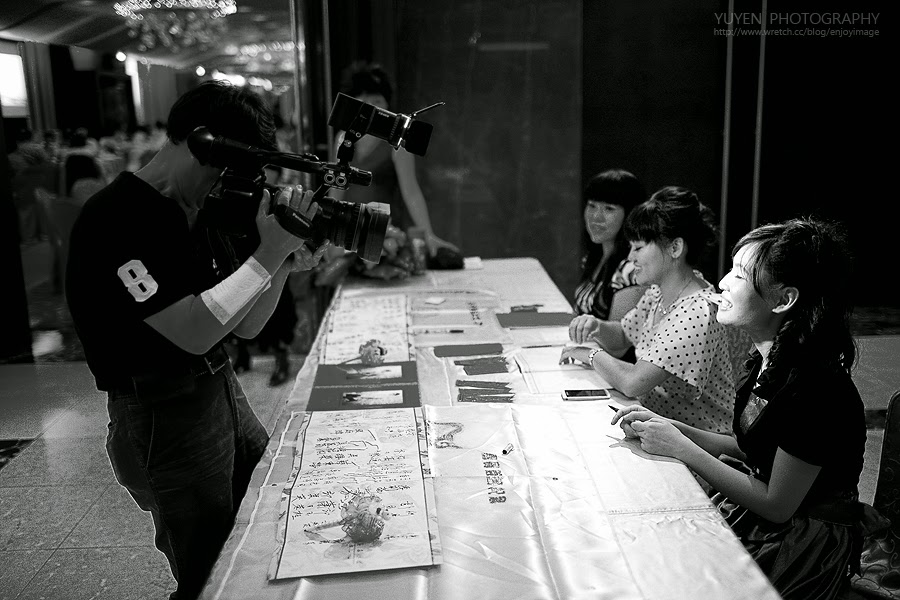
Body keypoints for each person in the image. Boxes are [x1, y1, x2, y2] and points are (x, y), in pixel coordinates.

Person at [65, 80, 330, 600]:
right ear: (198, 140)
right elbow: (191, 331)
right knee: (208, 573)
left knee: (263, 519)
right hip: (160, 413)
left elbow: (245, 325)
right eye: (223, 169)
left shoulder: (201, 210)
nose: (224, 185)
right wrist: (268, 253)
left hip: (217, 390)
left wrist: (283, 261)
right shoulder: (115, 217)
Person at [611, 217, 883, 599]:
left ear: (784, 300)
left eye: (740, 274)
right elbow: (755, 450)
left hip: (804, 542)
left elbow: (777, 504)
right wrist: (672, 427)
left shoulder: (815, 388)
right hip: (771, 522)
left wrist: (682, 448)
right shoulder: (767, 362)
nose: (723, 282)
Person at [561, 186, 735, 433]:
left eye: (639, 247)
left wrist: (587, 354)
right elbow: (623, 335)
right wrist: (595, 326)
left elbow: (633, 383)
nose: (631, 257)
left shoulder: (697, 312)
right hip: (657, 429)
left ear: (675, 248)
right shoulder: (659, 291)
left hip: (697, 444)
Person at [329, 61, 458, 257]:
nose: (372, 107)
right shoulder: (343, 138)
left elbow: (411, 191)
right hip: (346, 229)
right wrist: (329, 231)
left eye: (377, 101)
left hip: (382, 232)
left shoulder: (397, 143)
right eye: (364, 101)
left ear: (387, 105)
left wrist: (428, 233)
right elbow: (336, 188)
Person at [574, 168, 647, 322]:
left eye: (609, 209)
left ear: (630, 214)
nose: (596, 217)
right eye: (592, 205)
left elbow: (619, 334)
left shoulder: (631, 270)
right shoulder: (592, 257)